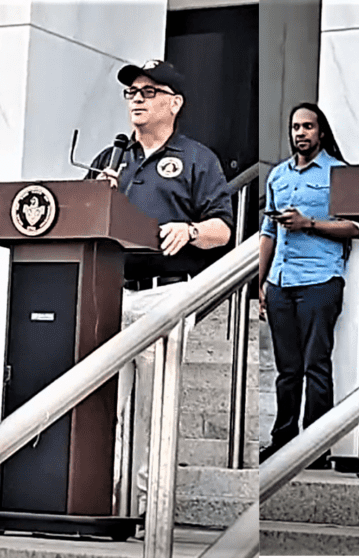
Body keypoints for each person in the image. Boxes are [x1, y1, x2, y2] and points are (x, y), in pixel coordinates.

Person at [86, 59, 233, 514]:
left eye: (149, 92)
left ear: (175, 102)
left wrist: (189, 231)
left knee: (153, 408)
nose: (137, 100)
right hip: (108, 291)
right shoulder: (112, 159)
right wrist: (96, 196)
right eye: (131, 92)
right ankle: (102, 502)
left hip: (163, 293)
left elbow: (224, 229)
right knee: (103, 404)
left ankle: (152, 510)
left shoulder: (196, 158)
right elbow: (78, 219)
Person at [258, 103, 359, 467]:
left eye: (307, 127)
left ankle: (316, 447)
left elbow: (354, 227)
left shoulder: (340, 173)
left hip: (320, 280)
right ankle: (283, 440)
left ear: (321, 131)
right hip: (280, 283)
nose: (300, 133)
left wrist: (309, 224)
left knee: (316, 364)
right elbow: (268, 233)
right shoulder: (278, 176)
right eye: (295, 127)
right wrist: (261, 282)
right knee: (286, 369)